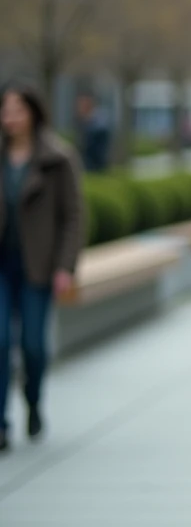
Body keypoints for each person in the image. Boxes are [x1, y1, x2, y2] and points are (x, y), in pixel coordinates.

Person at [0, 82, 84, 452]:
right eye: (5, 109)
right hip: (2, 266)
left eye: (17, 109)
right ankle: (1, 423)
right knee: (0, 342)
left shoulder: (57, 158)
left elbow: (73, 216)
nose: (10, 117)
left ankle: (33, 400)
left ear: (33, 112)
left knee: (34, 345)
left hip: (39, 265)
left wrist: (65, 266)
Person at [75, 92, 111, 173]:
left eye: (82, 105)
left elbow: (94, 149)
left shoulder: (98, 124)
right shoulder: (84, 122)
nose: (79, 108)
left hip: (95, 166)